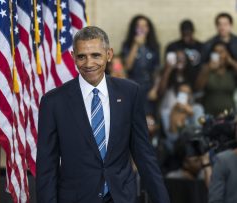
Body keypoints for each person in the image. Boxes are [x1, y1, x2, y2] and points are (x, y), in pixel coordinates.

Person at [36, 26, 170, 203]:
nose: (89, 63)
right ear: (73, 57)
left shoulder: (130, 93)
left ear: (109, 54)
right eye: (81, 56)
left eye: (96, 55)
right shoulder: (53, 102)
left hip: (122, 197)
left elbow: (144, 155)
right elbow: (47, 167)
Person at [121, 15, 160, 116]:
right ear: (134, 28)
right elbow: (127, 67)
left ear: (148, 29)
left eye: (145, 26)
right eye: (139, 26)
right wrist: (135, 44)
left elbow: (157, 71)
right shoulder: (127, 45)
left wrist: (155, 89)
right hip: (132, 86)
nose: (142, 28)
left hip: (148, 87)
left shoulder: (154, 46)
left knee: (148, 119)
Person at [195, 41, 237, 116]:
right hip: (210, 115)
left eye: (222, 52)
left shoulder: (231, 72)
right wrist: (208, 69)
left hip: (229, 114)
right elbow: (198, 87)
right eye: (216, 52)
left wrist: (231, 61)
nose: (219, 55)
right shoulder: (206, 69)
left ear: (227, 54)